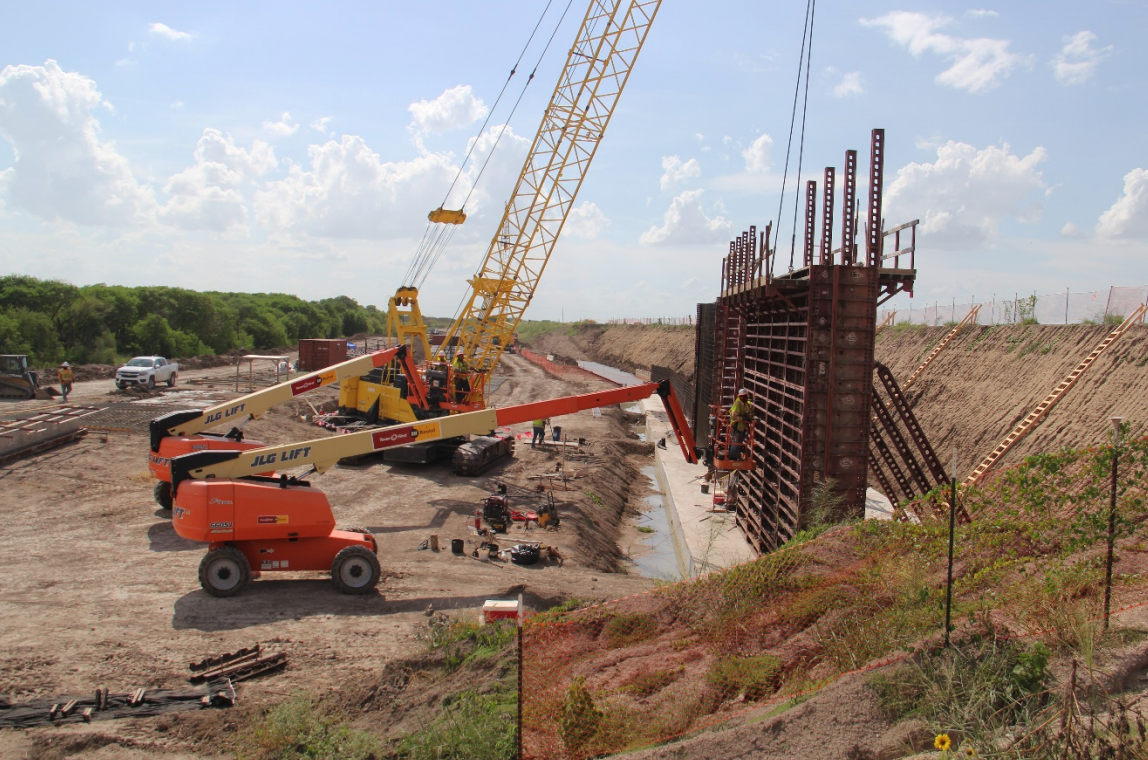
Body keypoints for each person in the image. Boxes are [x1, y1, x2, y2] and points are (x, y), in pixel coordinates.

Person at [728, 387, 754, 460]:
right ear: (739, 397)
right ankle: (732, 457)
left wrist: (750, 418)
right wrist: (743, 419)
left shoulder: (746, 404)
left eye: (745, 396)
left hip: (743, 427)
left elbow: (749, 412)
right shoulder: (737, 404)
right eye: (742, 396)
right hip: (736, 427)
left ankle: (736, 456)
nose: (744, 398)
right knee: (736, 442)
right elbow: (733, 415)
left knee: (739, 443)